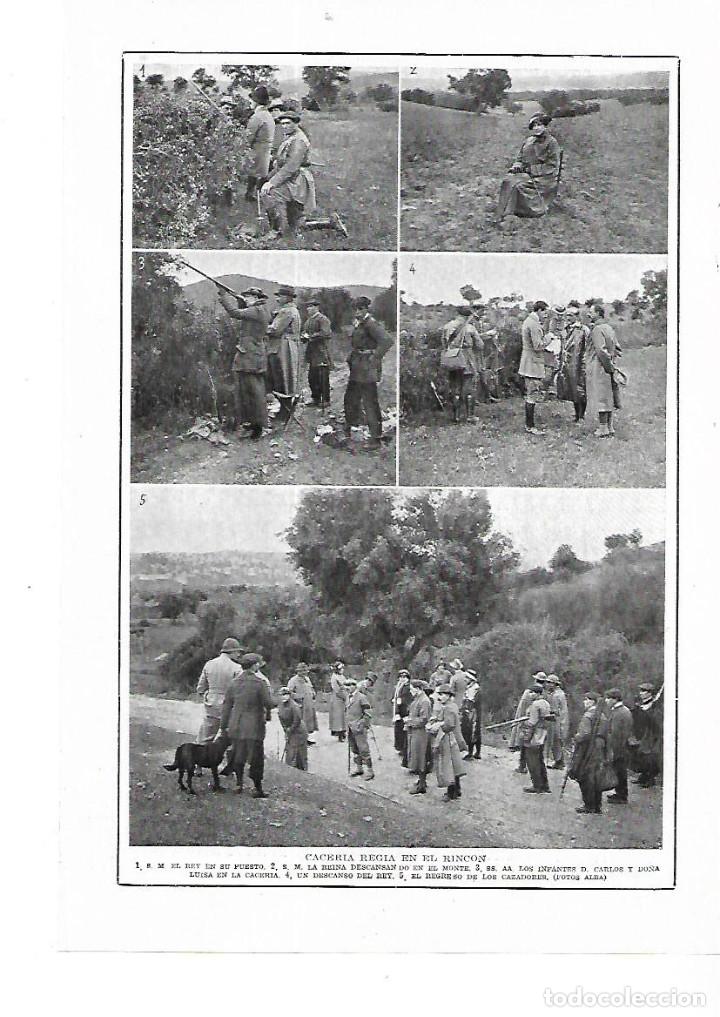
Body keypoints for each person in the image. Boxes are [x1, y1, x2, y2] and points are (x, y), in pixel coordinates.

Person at [217, 285, 272, 438]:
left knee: (253, 392)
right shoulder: (260, 310)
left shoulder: (256, 310)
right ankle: (254, 425)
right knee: (251, 392)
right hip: (252, 354)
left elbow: (234, 313)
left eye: (248, 296)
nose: (246, 298)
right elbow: (245, 315)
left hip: (250, 356)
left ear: (255, 298)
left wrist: (223, 295)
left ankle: (257, 427)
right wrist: (238, 299)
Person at [220, 652, 275, 798]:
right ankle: (257, 788)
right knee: (256, 757)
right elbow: (268, 703)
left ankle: (239, 784)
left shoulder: (234, 683)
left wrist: (223, 727)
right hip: (254, 726)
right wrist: (280, 700)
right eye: (258, 664)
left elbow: (226, 707)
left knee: (238, 755)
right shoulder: (260, 683)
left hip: (236, 725)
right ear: (254, 665)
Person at [342, 295, 393, 452]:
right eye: (355, 309)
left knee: (370, 402)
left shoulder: (371, 324)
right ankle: (351, 427)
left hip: (367, 368)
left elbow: (387, 341)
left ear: (366, 309)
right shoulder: (361, 324)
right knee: (351, 398)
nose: (357, 312)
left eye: (360, 309)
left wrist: (373, 356)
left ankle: (375, 438)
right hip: (358, 367)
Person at [260, 110, 316, 236]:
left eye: (288, 123)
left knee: (271, 193)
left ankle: (276, 231)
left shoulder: (298, 141)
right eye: (283, 124)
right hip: (291, 177)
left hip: (297, 179)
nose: (284, 126)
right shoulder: (291, 136)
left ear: (296, 123)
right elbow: (283, 162)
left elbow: (291, 166)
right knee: (295, 222)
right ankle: (329, 223)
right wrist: (268, 177)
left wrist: (272, 182)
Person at [497, 113, 561, 220]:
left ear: (545, 126)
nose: (536, 128)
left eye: (539, 125)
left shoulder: (552, 143)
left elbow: (552, 166)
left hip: (544, 178)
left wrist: (530, 170)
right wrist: (516, 167)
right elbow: (520, 158)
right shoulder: (528, 141)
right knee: (507, 181)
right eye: (534, 126)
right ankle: (501, 212)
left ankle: (510, 214)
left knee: (518, 185)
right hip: (527, 174)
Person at [440, 306, 484, 424]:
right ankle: (470, 416)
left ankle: (456, 416)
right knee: (469, 387)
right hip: (466, 359)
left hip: (451, 358)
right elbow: (480, 345)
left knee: (454, 387)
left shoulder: (447, 326)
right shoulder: (470, 328)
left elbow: (444, 344)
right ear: (467, 316)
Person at [196, 637, 243, 744]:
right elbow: (239, 690)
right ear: (232, 651)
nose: (238, 655)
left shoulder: (209, 664)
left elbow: (200, 688)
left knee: (205, 737)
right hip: (229, 706)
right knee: (229, 737)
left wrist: (207, 695)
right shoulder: (237, 668)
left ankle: (200, 757)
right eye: (237, 652)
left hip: (211, 704)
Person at [569, 691, 609, 814]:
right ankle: (597, 805)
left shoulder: (588, 715)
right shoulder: (602, 715)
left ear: (592, 701)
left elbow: (584, 734)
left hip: (587, 749)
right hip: (599, 748)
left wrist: (576, 737)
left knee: (584, 776)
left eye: (586, 699)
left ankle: (589, 805)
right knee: (595, 777)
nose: (584, 702)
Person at [585, 302, 621, 438]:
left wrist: (608, 366)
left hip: (599, 366)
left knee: (601, 396)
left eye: (591, 312)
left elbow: (600, 350)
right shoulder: (609, 328)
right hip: (610, 364)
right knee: (609, 395)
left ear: (598, 314)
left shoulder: (597, 329)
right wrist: (613, 363)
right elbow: (617, 347)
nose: (589, 314)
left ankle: (602, 427)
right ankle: (609, 426)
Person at [427, 685, 468, 801]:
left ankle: (451, 792)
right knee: (455, 764)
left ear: (449, 696)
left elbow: (449, 725)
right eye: (440, 695)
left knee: (448, 764)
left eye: (443, 695)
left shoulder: (448, 708)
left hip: (448, 738)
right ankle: (457, 789)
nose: (441, 697)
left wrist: (437, 726)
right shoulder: (451, 706)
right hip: (454, 738)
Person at [266, 284, 301, 416]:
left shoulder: (286, 311)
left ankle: (285, 411)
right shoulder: (292, 310)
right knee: (287, 377)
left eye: (280, 296)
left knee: (281, 378)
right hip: (288, 346)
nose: (277, 299)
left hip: (282, 347)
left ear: (287, 297)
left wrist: (261, 327)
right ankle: (285, 409)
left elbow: (275, 330)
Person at [520, 301, 550, 435]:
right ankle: (530, 426)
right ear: (539, 310)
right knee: (532, 394)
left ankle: (530, 424)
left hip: (529, 360)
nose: (545, 315)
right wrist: (549, 338)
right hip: (532, 362)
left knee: (531, 393)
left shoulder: (529, 321)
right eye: (545, 312)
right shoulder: (533, 324)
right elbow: (538, 346)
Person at [556, 302, 589, 424]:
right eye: (567, 315)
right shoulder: (565, 330)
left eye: (570, 315)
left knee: (581, 389)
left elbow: (587, 348)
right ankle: (576, 415)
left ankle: (581, 415)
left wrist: (585, 364)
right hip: (568, 363)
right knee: (571, 389)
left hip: (580, 363)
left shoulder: (583, 330)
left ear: (576, 316)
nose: (568, 318)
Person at [509, 672, 546, 772]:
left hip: (529, 723)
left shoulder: (530, 691)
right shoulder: (543, 694)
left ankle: (523, 766)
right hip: (537, 726)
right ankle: (527, 766)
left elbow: (524, 708)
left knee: (526, 745)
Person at [520, 679, 552, 794]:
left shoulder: (535, 705)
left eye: (532, 693)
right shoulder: (546, 703)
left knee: (532, 761)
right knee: (540, 761)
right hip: (543, 734)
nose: (530, 694)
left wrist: (524, 726)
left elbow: (532, 722)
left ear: (537, 694)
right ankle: (545, 785)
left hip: (534, 735)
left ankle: (536, 785)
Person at [244, 85, 275, 201]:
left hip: (257, 150)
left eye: (252, 101)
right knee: (261, 173)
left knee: (255, 173)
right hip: (265, 150)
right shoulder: (267, 115)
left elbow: (248, 136)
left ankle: (255, 195)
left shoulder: (257, 116)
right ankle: (256, 195)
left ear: (256, 102)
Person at [300, 295, 332, 408]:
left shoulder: (323, 319)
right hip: (311, 352)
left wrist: (311, 337)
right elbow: (304, 332)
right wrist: (303, 337)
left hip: (321, 351)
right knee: (312, 377)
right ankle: (315, 398)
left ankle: (326, 400)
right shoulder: (308, 321)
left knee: (323, 377)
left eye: (311, 306)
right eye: (307, 307)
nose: (308, 309)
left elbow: (326, 333)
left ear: (316, 307)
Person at [631, 682, 663, 788]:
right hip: (642, 732)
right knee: (641, 755)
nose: (641, 693)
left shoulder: (654, 706)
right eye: (641, 691)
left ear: (650, 693)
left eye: (644, 691)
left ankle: (650, 779)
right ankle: (643, 776)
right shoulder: (643, 704)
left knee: (649, 756)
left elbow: (655, 721)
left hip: (651, 733)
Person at [604, 687, 633, 804]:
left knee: (620, 771)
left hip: (619, 747)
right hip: (622, 746)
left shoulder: (619, 712)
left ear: (615, 699)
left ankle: (621, 795)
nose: (606, 700)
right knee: (620, 770)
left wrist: (611, 749)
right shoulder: (624, 710)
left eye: (608, 698)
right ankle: (620, 792)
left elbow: (615, 733)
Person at [404, 679, 433, 795]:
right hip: (415, 732)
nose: (411, 692)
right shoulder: (418, 699)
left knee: (421, 757)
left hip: (421, 733)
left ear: (419, 689)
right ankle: (421, 781)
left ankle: (422, 784)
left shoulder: (425, 701)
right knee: (416, 756)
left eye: (412, 689)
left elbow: (424, 719)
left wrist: (410, 721)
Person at [345, 677, 374, 781]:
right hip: (350, 727)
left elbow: (368, 713)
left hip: (359, 728)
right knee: (354, 749)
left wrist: (362, 724)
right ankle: (359, 768)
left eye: (349, 685)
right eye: (346, 685)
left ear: (355, 686)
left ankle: (370, 771)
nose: (347, 688)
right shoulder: (348, 697)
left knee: (363, 749)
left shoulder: (361, 697)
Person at [277, 686, 309, 771]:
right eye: (282, 695)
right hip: (290, 730)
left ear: (289, 695)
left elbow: (297, 720)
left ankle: (303, 770)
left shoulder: (294, 706)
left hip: (299, 731)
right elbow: (281, 719)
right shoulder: (280, 706)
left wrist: (290, 729)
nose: (284, 696)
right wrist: (285, 730)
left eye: (286, 694)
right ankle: (290, 769)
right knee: (290, 752)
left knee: (300, 753)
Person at [287, 663, 318, 745]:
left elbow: (310, 688)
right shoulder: (293, 680)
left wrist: (313, 693)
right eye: (302, 671)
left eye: (305, 671)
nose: (304, 673)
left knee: (309, 722)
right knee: (301, 722)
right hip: (301, 705)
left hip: (309, 704)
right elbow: (289, 692)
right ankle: (300, 740)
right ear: (298, 671)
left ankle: (307, 739)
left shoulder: (307, 679)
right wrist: (298, 697)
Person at [544, 674, 569, 770]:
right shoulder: (552, 693)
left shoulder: (559, 694)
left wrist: (562, 724)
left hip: (557, 720)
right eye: (548, 682)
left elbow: (563, 710)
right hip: (552, 719)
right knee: (553, 741)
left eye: (551, 683)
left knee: (557, 740)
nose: (548, 684)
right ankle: (557, 760)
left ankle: (560, 761)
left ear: (555, 684)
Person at [391, 669, 413, 765]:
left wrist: (403, 711)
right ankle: (400, 747)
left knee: (403, 731)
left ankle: (403, 749)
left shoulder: (408, 687)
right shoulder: (399, 686)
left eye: (405, 677)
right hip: (399, 710)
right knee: (398, 730)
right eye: (401, 677)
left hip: (404, 711)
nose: (402, 679)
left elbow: (407, 700)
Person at [460, 669, 483, 761]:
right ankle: (473, 752)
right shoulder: (469, 688)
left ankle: (473, 752)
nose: (465, 679)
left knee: (473, 731)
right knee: (468, 731)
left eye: (467, 678)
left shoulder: (476, 689)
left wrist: (470, 710)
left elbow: (475, 703)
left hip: (473, 712)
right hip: (467, 712)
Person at [328, 663, 348, 742]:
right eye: (340, 669)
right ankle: (339, 734)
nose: (342, 670)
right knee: (338, 717)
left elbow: (346, 685)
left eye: (342, 669)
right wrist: (343, 696)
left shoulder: (342, 677)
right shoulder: (334, 677)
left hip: (343, 698)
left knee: (344, 716)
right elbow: (336, 689)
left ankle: (343, 732)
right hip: (337, 699)